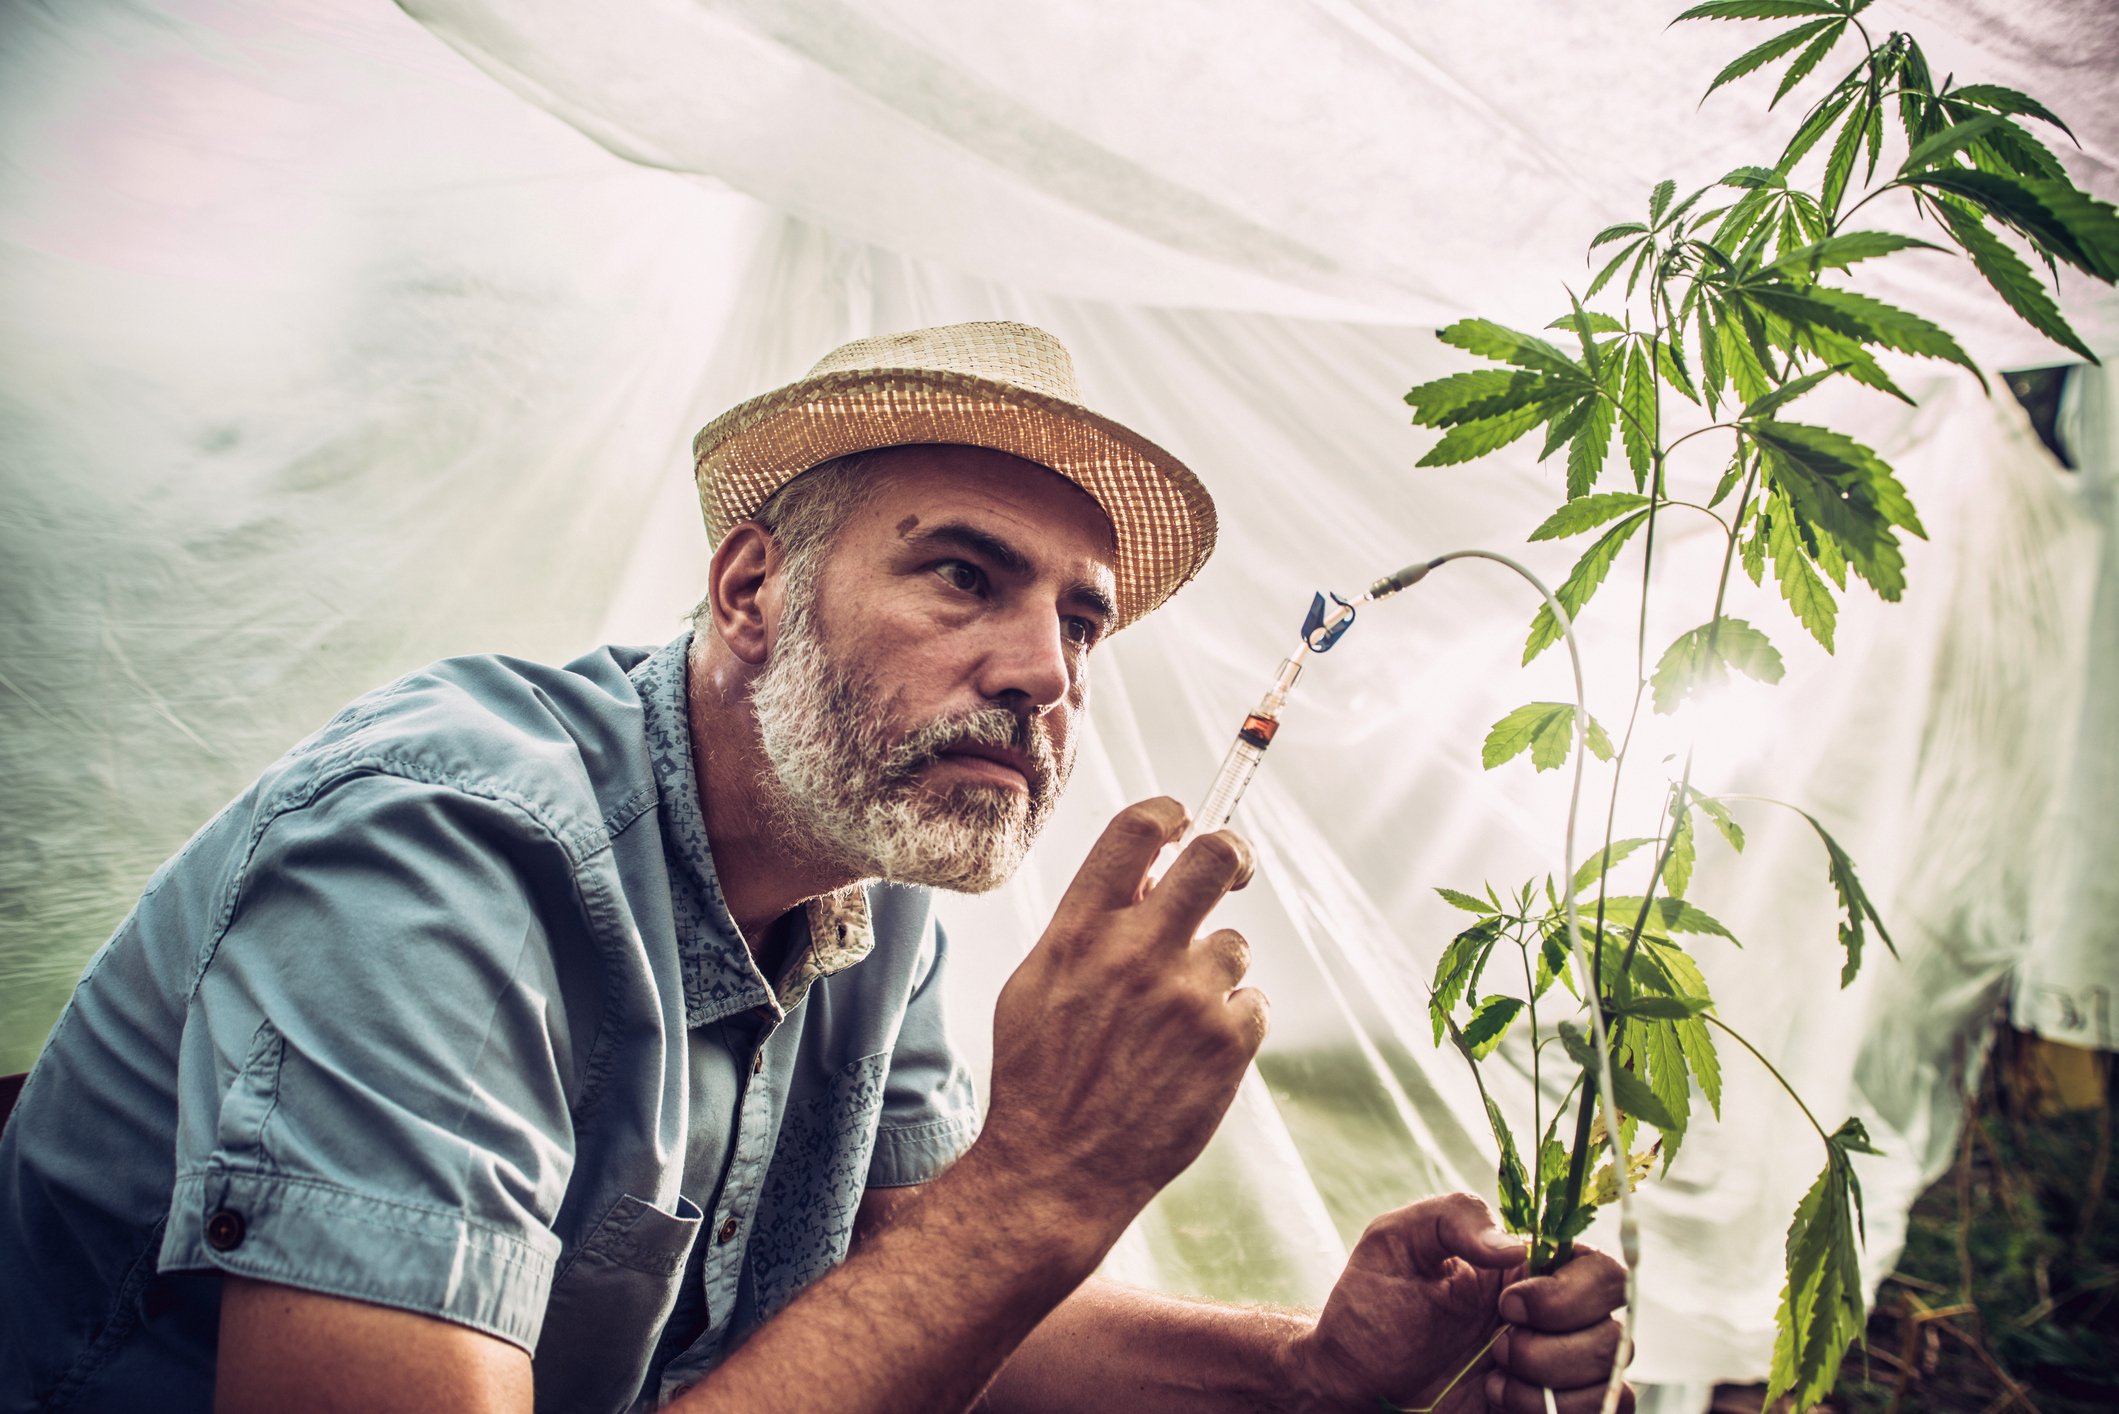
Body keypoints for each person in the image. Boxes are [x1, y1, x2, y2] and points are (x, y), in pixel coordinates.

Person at [0, 321, 1630, 1414]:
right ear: (752, 585)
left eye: (1081, 619)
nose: (1047, 672)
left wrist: (1314, 1371)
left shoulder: (874, 886)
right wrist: (1047, 1175)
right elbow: (970, 1246)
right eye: (964, 578)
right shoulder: (438, 852)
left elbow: (913, 1289)